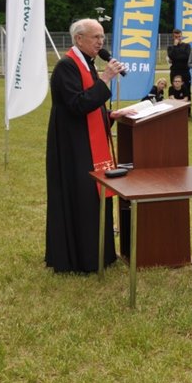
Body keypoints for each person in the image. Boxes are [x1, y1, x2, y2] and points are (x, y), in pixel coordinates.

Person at [45, 18, 132, 274]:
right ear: (79, 39)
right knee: (81, 197)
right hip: (72, 147)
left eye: (102, 37)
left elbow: (91, 106)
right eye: (95, 37)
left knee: (94, 196)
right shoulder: (66, 67)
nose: (101, 42)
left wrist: (109, 117)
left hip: (87, 143)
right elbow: (77, 105)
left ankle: (100, 253)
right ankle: (80, 258)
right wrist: (105, 78)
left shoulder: (89, 65)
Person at [166, 29, 191, 99]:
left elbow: (186, 57)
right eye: (176, 37)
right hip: (174, 72)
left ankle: (187, 109)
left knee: (187, 91)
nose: (178, 38)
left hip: (185, 72)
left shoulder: (187, 46)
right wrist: (175, 46)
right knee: (174, 90)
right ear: (173, 37)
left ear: (181, 36)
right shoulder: (170, 47)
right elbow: (171, 56)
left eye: (179, 36)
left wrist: (176, 57)